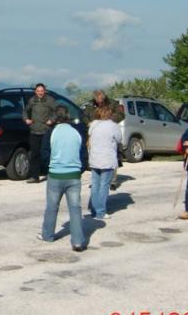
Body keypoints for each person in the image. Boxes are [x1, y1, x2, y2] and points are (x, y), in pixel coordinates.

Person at [39, 106, 87, 251]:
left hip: (55, 174)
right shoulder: (77, 132)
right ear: (68, 116)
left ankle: (48, 235)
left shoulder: (51, 132)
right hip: (74, 175)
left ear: (54, 117)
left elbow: (44, 153)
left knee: (52, 207)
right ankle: (77, 241)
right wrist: (80, 170)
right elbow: (84, 154)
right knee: (75, 208)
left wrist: (48, 169)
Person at [86, 105, 122, 220]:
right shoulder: (113, 126)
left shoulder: (93, 125)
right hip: (107, 158)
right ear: (109, 114)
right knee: (104, 186)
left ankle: (94, 209)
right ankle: (100, 212)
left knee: (95, 185)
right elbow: (119, 139)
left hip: (94, 158)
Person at [24, 83, 57, 184]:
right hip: (34, 130)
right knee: (34, 154)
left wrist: (52, 120)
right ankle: (35, 177)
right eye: (38, 91)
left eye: (42, 91)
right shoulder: (32, 100)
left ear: (44, 91)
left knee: (47, 154)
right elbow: (25, 111)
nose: (40, 93)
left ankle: (50, 174)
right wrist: (26, 119)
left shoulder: (50, 100)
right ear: (35, 91)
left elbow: (56, 112)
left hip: (46, 131)